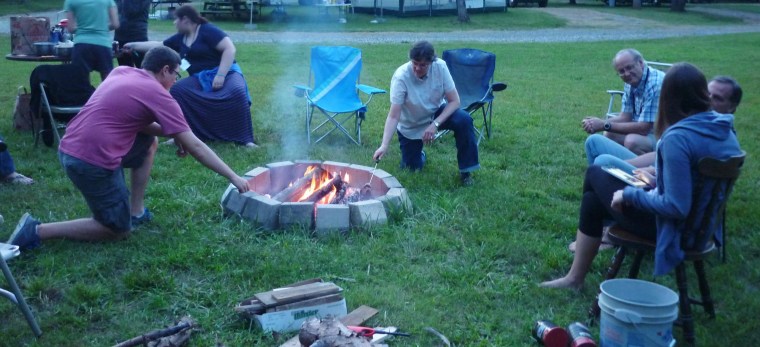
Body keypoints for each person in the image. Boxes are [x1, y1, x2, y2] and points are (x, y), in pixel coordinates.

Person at [7, 46, 250, 252]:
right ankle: (37, 230)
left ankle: (136, 211)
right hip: (91, 162)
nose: (176, 80)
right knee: (116, 230)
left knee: (148, 144)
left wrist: (175, 134)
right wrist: (233, 176)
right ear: (165, 69)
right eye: (176, 74)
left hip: (70, 147)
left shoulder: (121, 71)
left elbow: (138, 122)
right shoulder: (159, 94)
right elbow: (196, 146)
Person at [541, 63, 743, 290]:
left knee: (595, 174)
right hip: (700, 230)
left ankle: (577, 276)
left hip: (675, 232)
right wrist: (652, 176)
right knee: (593, 199)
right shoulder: (724, 131)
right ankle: (575, 277)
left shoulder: (678, 137)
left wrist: (629, 195)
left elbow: (676, 206)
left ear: (668, 97)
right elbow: (689, 180)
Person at [123, 5, 256, 147]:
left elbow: (229, 49)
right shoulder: (181, 37)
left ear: (185, 19)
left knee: (237, 90)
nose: (174, 23)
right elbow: (159, 45)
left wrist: (221, 75)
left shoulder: (208, 30)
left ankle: (245, 139)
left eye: (176, 20)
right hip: (200, 77)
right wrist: (133, 45)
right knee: (179, 90)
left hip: (227, 73)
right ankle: (182, 135)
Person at [372, 41, 479, 186]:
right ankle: (420, 155)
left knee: (464, 120)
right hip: (411, 123)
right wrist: (384, 145)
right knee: (412, 168)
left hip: (436, 113)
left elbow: (455, 101)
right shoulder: (401, 77)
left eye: (423, 65)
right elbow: (394, 115)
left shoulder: (440, 67)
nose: (417, 68)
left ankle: (466, 172)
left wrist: (435, 124)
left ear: (431, 62)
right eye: (414, 63)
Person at [587, 75, 743, 175]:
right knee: (595, 143)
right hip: (657, 168)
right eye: (707, 94)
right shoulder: (703, 126)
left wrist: (639, 171)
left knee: (603, 163)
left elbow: (670, 178)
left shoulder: (705, 136)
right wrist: (627, 165)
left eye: (718, 98)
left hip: (655, 188)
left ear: (732, 107)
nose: (708, 101)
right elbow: (661, 156)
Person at [582, 49, 665, 156]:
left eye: (629, 67)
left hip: (665, 136)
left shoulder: (655, 85)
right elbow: (625, 117)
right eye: (621, 71)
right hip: (648, 130)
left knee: (632, 141)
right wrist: (597, 122)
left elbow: (643, 128)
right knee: (610, 133)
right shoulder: (631, 81)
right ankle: (617, 167)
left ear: (640, 63)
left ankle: (646, 169)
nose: (626, 73)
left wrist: (604, 125)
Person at [65, 0, 119, 81]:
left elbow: (71, 28)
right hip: (103, 44)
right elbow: (115, 24)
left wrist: (84, 29)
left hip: (81, 44)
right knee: (107, 82)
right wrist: (101, 28)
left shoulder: (71, 1)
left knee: (81, 82)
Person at [114, 0, 151, 68]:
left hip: (137, 36)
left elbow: (131, 10)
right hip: (120, 35)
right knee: (125, 70)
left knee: (143, 69)